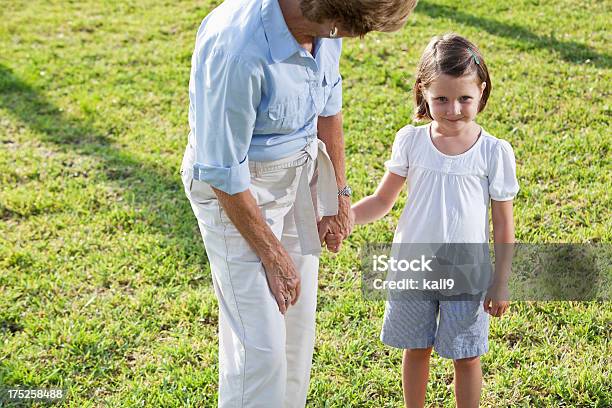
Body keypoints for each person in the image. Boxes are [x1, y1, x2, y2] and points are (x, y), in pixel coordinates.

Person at [180, 0, 418, 406]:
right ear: (329, 14)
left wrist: (338, 195)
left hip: (300, 175)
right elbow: (223, 170)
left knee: (296, 329)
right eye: (350, 31)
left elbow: (329, 108)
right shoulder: (237, 47)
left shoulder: (325, 32)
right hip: (238, 195)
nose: (354, 40)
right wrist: (272, 257)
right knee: (261, 350)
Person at [349, 34, 519, 407]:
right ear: (423, 92)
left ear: (482, 92)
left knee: (467, 355)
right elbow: (382, 200)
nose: (453, 109)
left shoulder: (494, 152)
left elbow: (503, 225)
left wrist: (501, 281)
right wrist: (346, 218)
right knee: (416, 348)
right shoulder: (410, 141)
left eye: (464, 98)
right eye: (440, 98)